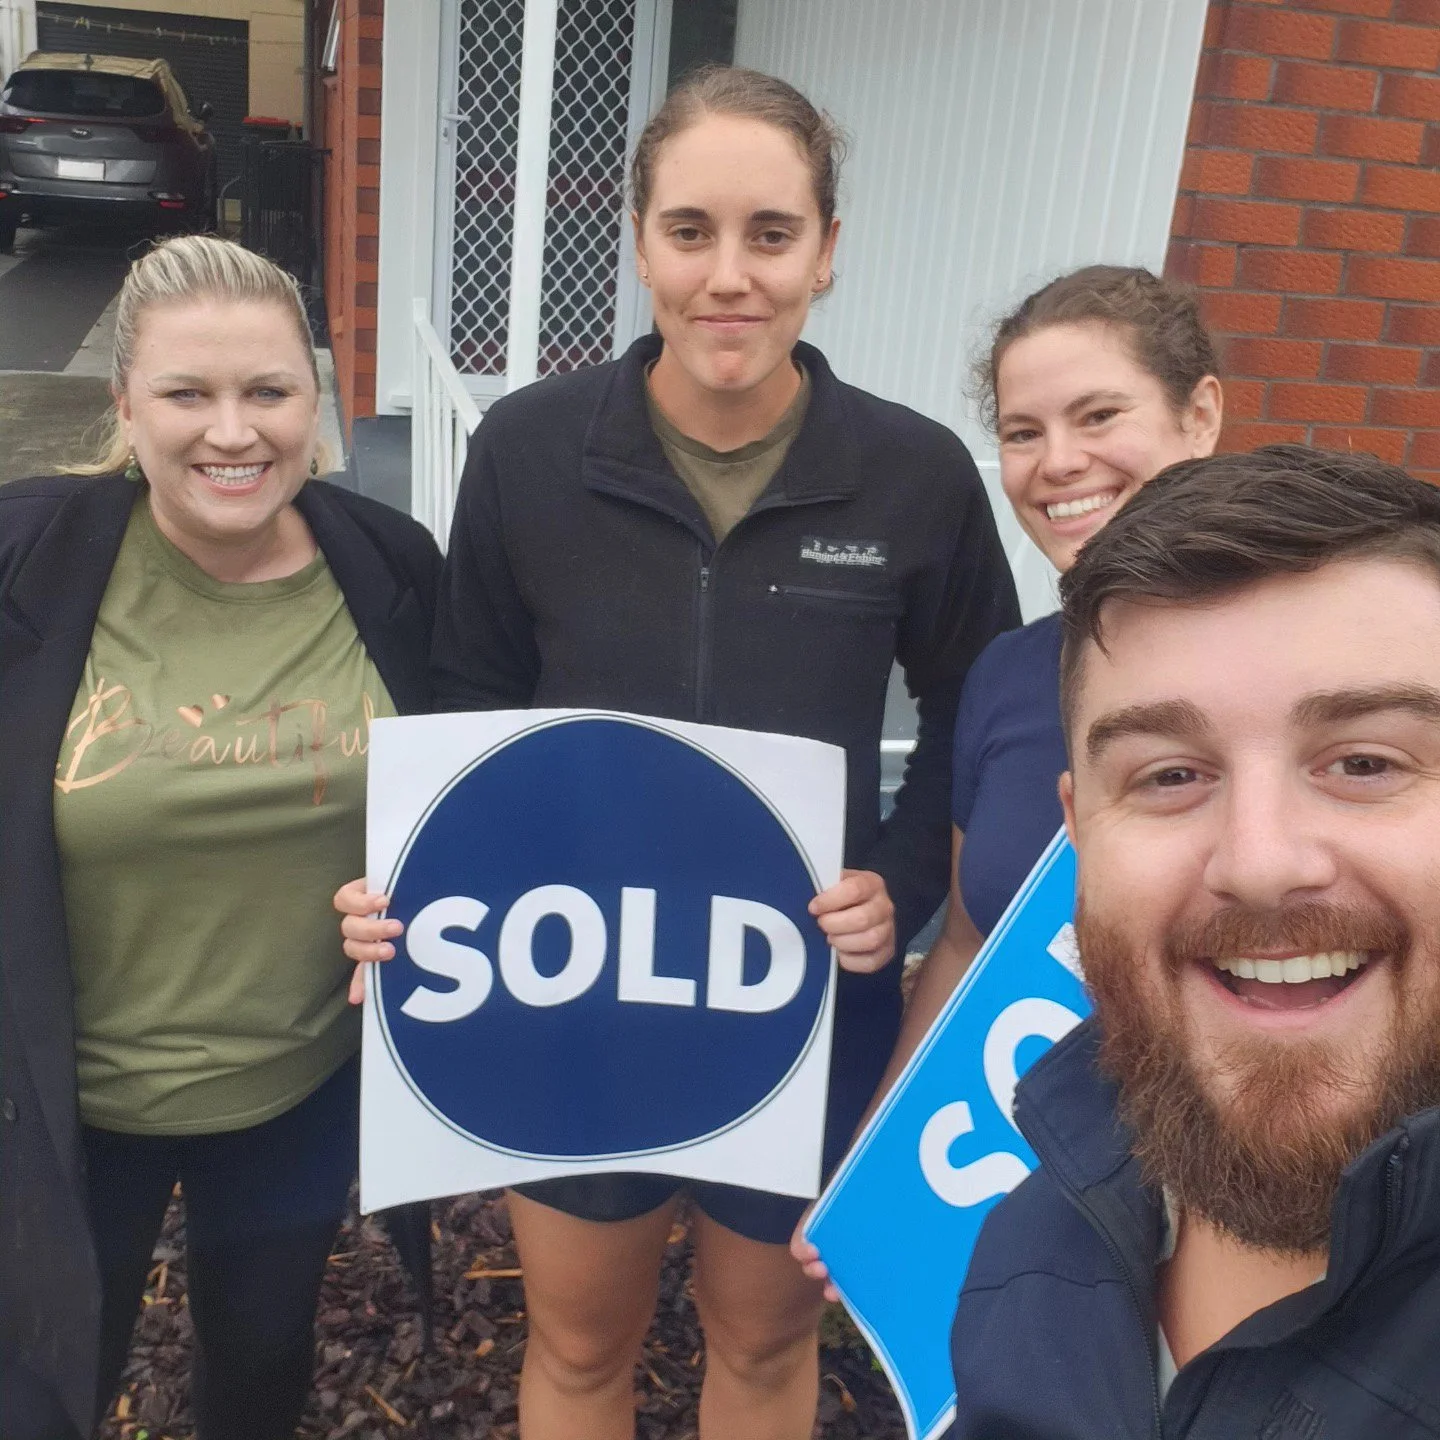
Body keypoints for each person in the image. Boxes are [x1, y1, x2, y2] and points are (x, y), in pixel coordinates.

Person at [339, 65, 1018, 1440]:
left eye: (771, 234)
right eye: (691, 230)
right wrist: (416, 887)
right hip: (573, 979)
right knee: (580, 1351)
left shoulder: (915, 473)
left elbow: (976, 706)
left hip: (803, 993)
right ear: (642, 243)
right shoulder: (532, 449)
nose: (730, 275)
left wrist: (898, 876)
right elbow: (472, 700)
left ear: (827, 252)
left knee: (761, 1349)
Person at [0, 235, 442, 1440]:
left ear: (317, 400)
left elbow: (457, 799)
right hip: (60, 1109)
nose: (233, 432)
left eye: (268, 392)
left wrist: (408, 898)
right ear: (125, 407)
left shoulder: (390, 569)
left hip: (290, 1089)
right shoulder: (28, 558)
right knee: (44, 1389)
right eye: (187, 394)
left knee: (259, 1366)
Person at [950, 445, 1440, 1436]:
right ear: (1079, 829)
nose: (1259, 863)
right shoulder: (1036, 1238)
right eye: (1169, 776)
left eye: (1363, 760)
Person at [795, 264, 1222, 1290]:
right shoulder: (1010, 675)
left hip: (1230, 1213)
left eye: (1099, 414)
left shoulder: (1313, 658)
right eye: (1025, 432)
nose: (1057, 462)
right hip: (1016, 1200)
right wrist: (883, 1151)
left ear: (1199, 412)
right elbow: (968, 948)